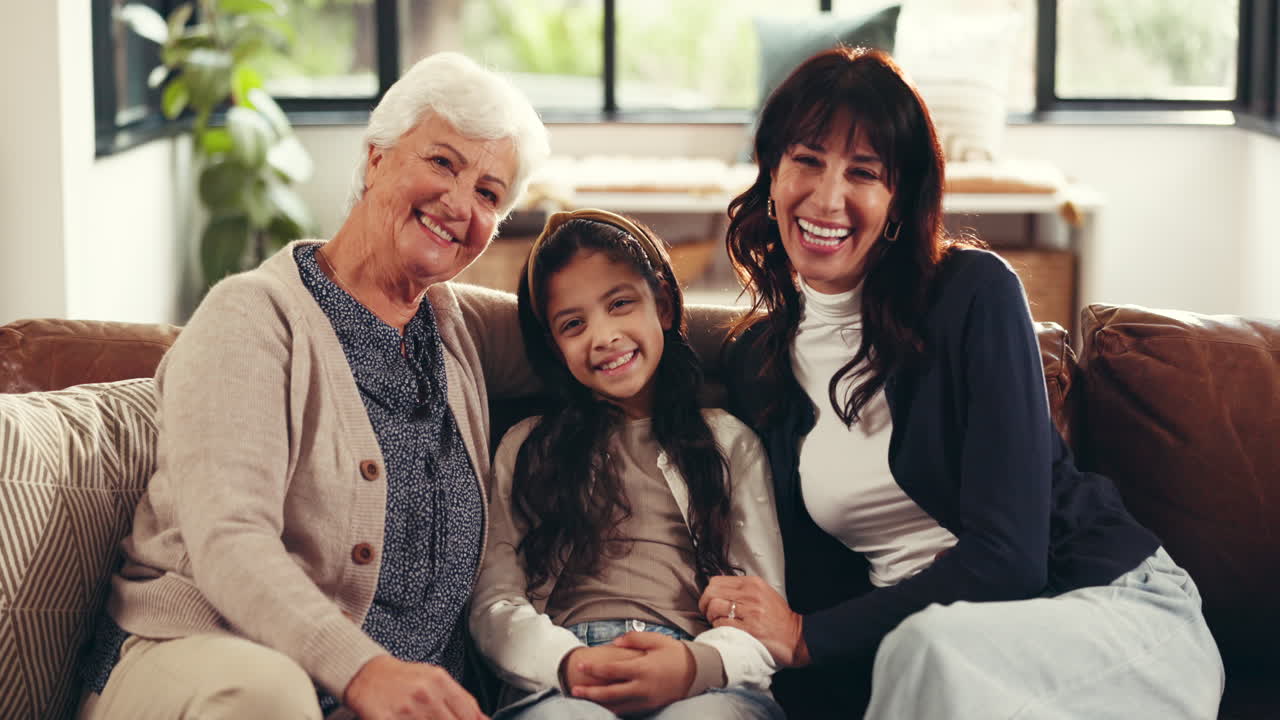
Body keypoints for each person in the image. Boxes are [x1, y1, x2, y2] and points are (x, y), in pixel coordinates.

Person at [699, 47, 1225, 719]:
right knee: (917, 655)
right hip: (935, 666)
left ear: (896, 204)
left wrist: (808, 636)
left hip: (1111, 620)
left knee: (928, 650)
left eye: (863, 172)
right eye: (807, 160)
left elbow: (1009, 561)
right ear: (771, 174)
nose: (827, 197)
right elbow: (816, 577)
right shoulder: (758, 361)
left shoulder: (973, 295)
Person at [78, 52, 549, 720]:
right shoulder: (250, 316)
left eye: (489, 194)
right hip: (207, 662)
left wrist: (741, 336)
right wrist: (362, 671)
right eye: (442, 162)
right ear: (377, 157)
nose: (459, 203)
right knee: (269, 696)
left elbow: (603, 320)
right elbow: (229, 541)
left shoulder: (457, 328)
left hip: (389, 702)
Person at [469, 209, 787, 720]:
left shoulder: (728, 442)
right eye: (574, 324)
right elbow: (493, 603)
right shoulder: (527, 447)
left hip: (701, 678)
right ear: (555, 346)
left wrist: (694, 664)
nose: (604, 336)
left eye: (620, 304)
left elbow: (764, 612)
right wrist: (568, 662)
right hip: (564, 678)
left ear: (661, 304)